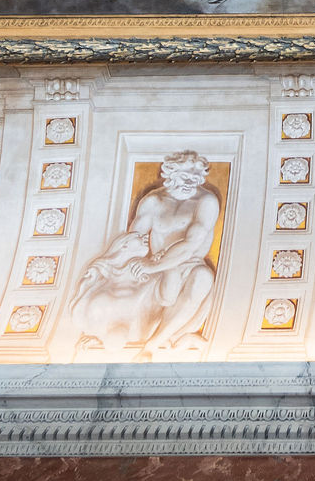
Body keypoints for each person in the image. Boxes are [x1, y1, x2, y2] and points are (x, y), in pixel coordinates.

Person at [71, 150, 222, 357]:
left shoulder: (206, 202)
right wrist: (119, 267)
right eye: (185, 177)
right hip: (154, 267)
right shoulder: (153, 201)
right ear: (171, 173)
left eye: (196, 179)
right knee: (114, 294)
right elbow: (134, 238)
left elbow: (190, 244)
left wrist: (156, 265)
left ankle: (154, 344)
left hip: (187, 264)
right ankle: (104, 330)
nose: (190, 183)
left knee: (203, 278)